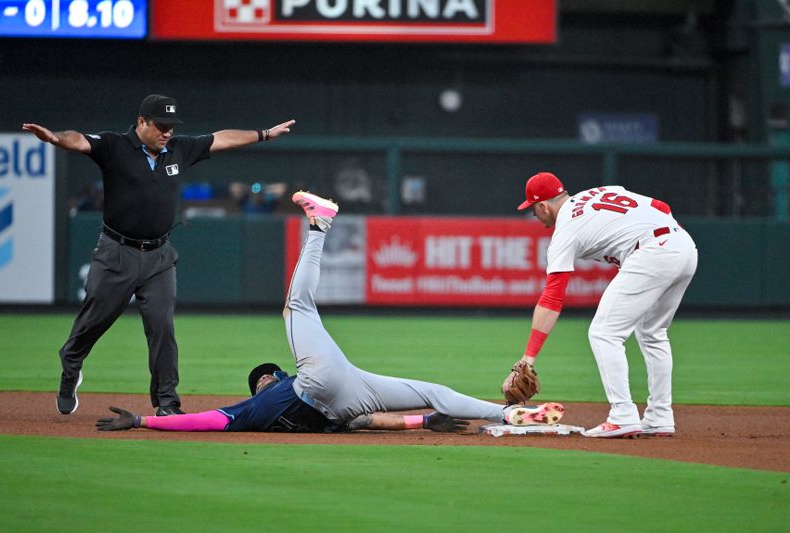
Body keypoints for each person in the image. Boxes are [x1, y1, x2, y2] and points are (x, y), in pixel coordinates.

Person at [96, 191, 566, 433]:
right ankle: (320, 223)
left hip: (343, 393)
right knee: (296, 304)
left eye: (264, 376)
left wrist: (422, 421)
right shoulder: (268, 400)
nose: (262, 380)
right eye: (262, 377)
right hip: (331, 388)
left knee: (430, 390)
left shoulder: (266, 408)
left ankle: (506, 415)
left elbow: (364, 422)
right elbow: (212, 420)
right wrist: (142, 421)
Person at [23, 94, 295, 416]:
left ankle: (167, 403)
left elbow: (221, 138)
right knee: (92, 324)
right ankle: (71, 367)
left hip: (159, 256)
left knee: (162, 327)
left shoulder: (178, 150)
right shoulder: (115, 147)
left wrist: (263, 134)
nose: (167, 132)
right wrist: (55, 139)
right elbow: (80, 141)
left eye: (171, 126)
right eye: (161, 126)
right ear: (141, 122)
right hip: (116, 253)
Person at [502, 172, 697, 438]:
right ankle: (660, 417)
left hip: (653, 252)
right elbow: (662, 207)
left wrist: (528, 359)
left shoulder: (566, 229)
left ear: (544, 206)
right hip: (684, 246)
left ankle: (623, 416)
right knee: (653, 334)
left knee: (604, 333)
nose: (535, 216)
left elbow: (552, 297)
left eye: (534, 210)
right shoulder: (601, 192)